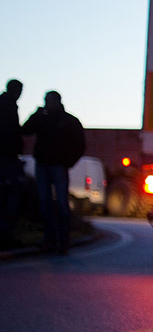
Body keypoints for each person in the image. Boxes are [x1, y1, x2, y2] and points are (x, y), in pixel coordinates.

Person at [22, 90, 85, 255]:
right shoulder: (43, 119)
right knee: (45, 203)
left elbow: (79, 144)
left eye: (48, 101)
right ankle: (51, 239)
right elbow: (26, 130)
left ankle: (62, 241)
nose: (46, 104)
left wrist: (67, 163)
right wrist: (35, 115)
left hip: (57, 166)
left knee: (61, 203)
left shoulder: (68, 121)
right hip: (44, 164)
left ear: (56, 102)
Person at [0, 79, 23, 249]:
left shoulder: (6, 104)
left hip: (7, 156)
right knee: (11, 195)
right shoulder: (8, 106)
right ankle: (6, 235)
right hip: (7, 157)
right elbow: (11, 132)